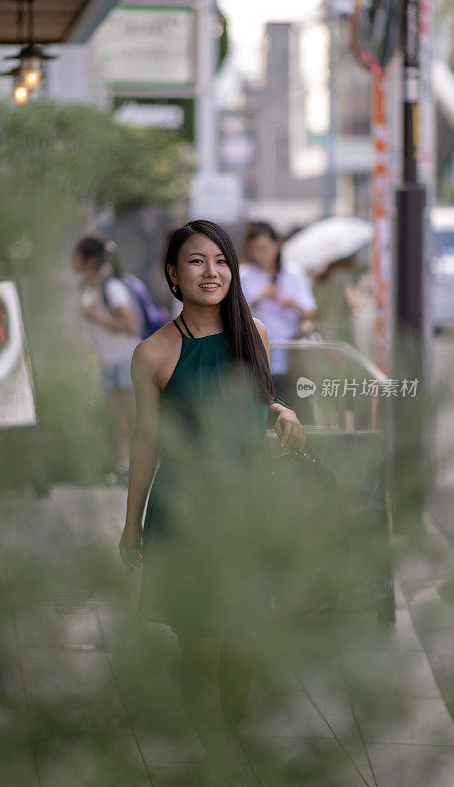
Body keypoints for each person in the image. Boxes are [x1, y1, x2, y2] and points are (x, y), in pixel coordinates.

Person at [119, 220, 306, 786]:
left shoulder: (256, 333)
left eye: (221, 260)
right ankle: (220, 756)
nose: (212, 271)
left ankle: (223, 744)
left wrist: (285, 413)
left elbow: (259, 403)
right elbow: (146, 442)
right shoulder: (152, 353)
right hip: (185, 515)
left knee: (244, 642)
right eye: (196, 261)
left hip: (247, 511)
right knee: (201, 649)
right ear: (173, 274)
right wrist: (132, 525)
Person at [72, 235, 140, 483]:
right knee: (116, 419)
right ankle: (124, 466)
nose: (73, 260)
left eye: (77, 255)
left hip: (124, 358)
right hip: (106, 359)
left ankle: (142, 466)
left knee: (132, 417)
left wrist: (96, 316)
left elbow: (128, 324)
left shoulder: (111, 287)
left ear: (89, 259)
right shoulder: (85, 286)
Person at [239, 221, 316, 404]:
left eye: (265, 248)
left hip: (291, 356)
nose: (261, 255)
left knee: (291, 405)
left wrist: (293, 304)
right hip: (257, 355)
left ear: (277, 245)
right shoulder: (244, 275)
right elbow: (236, 312)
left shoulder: (293, 273)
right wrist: (260, 297)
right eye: (256, 249)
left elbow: (310, 310)